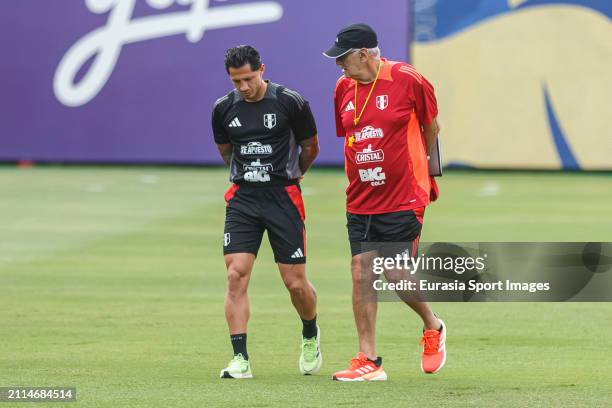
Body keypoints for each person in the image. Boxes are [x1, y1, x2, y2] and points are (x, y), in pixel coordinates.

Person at [323, 23, 446, 381]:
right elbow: (351, 135)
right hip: (361, 197)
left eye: (342, 58)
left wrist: (425, 173)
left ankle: (432, 324)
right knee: (361, 272)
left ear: (363, 54)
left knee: (395, 273)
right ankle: (369, 360)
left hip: (404, 195)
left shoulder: (409, 79)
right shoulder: (343, 88)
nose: (338, 65)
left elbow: (432, 127)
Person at [212, 45, 321, 379]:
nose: (243, 87)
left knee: (294, 282)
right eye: (236, 81)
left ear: (261, 69)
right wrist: (248, 175)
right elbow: (226, 151)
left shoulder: (290, 101)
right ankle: (240, 359)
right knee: (235, 274)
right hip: (244, 198)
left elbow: (311, 147)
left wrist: (292, 175)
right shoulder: (223, 109)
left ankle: (310, 334)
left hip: (282, 197)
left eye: (248, 78)